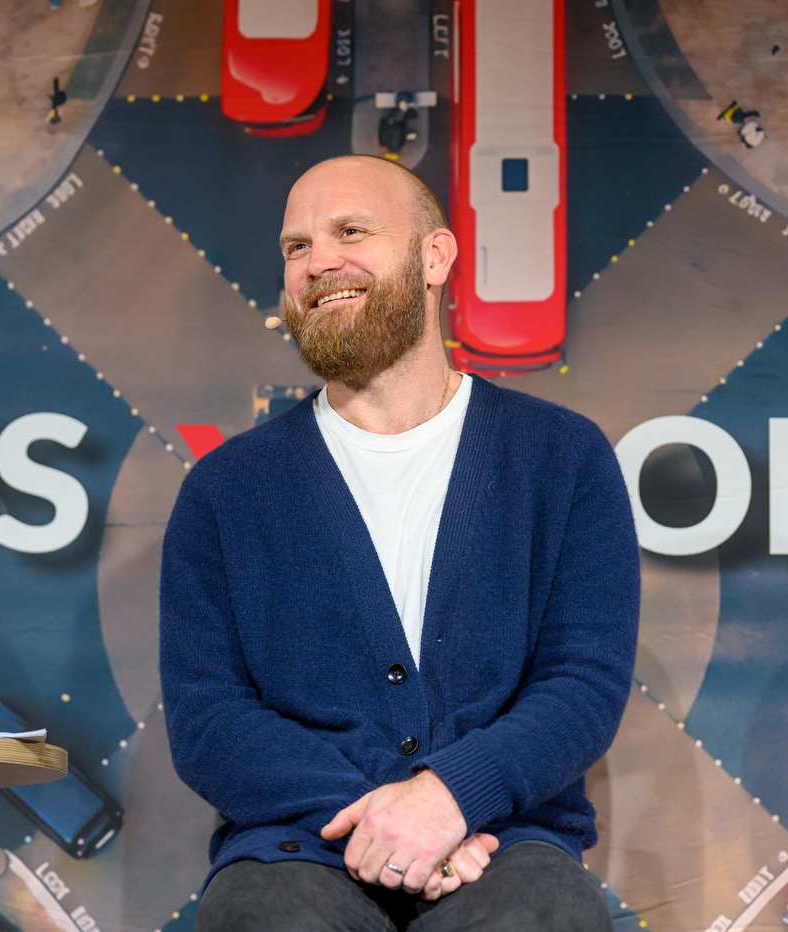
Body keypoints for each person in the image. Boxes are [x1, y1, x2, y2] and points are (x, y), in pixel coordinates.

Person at [159, 155, 639, 932]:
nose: (318, 262)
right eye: (296, 246)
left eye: (350, 231)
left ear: (435, 256)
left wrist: (452, 799)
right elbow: (208, 721)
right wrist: (391, 814)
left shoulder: (564, 457)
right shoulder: (224, 489)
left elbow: (582, 684)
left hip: (503, 845)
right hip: (298, 849)